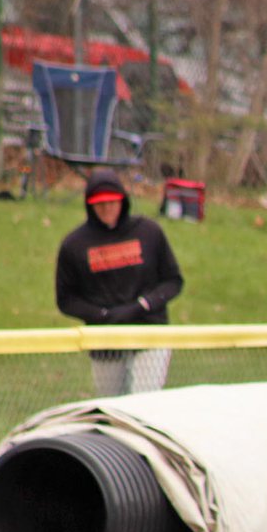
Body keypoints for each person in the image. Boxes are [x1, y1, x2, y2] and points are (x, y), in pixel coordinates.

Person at [55, 168, 184, 396]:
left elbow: (173, 281)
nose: (107, 209)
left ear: (123, 201)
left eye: (112, 203)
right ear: (90, 205)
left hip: (149, 332)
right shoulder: (74, 245)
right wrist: (102, 315)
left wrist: (143, 305)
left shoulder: (148, 232)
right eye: (100, 204)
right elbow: (66, 299)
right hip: (105, 339)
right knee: (112, 404)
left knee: (144, 402)